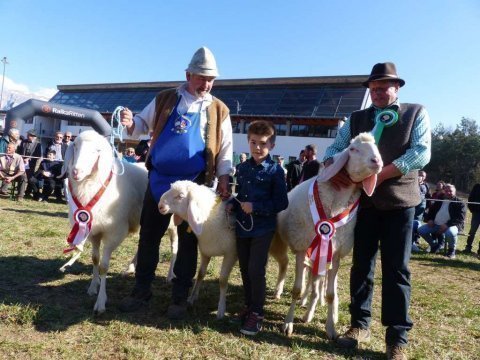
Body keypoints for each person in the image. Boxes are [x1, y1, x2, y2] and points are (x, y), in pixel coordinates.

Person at [325, 62, 431, 360]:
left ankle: (397, 337)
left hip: (400, 203)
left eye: (384, 87)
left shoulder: (416, 112)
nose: (378, 92)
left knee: (397, 270)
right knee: (361, 266)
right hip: (364, 205)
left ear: (397, 88)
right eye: (373, 88)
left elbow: (421, 152)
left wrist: (380, 174)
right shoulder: (356, 118)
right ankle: (359, 325)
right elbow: (334, 151)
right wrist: (338, 171)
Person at [118, 47, 233, 320]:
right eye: (201, 78)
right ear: (188, 74)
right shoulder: (165, 98)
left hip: (194, 186)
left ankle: (179, 297)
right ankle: (141, 292)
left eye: (211, 79)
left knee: (188, 241)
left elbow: (226, 149)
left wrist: (225, 178)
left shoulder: (219, 109)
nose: (206, 84)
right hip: (159, 181)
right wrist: (129, 122)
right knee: (149, 237)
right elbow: (141, 124)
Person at [227, 120, 288, 336]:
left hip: (263, 228)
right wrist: (230, 204)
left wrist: (257, 207)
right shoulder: (242, 168)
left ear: (271, 145)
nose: (257, 148)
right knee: (244, 268)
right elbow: (240, 197)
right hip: (243, 227)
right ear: (248, 141)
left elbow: (281, 203)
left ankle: (257, 313)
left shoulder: (275, 171)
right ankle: (249, 305)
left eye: (263, 143)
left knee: (256, 269)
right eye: (253, 142)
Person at [417, 183, 465, 259]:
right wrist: (430, 220)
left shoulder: (460, 202)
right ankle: (434, 246)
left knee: (450, 233)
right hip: (436, 224)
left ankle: (452, 251)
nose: (448, 193)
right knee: (421, 230)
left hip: (451, 226)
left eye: (450, 191)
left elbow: (460, 218)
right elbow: (431, 211)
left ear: (454, 192)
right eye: (446, 191)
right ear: (444, 191)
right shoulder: (439, 200)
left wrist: (447, 225)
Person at [16, 129, 43, 197]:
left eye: (29, 135)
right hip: (22, 163)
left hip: (31, 164)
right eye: (27, 135)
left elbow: (38, 155)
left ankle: (35, 192)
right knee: (22, 176)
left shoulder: (38, 144)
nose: (28, 136)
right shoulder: (23, 142)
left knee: (30, 179)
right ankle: (20, 192)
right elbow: (19, 152)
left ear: (33, 136)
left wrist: (29, 158)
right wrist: (22, 158)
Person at [411, 170, 430, 252]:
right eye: (419, 175)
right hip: (412, 205)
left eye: (422, 176)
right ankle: (410, 242)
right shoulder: (412, 183)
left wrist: (427, 207)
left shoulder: (426, 185)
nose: (420, 177)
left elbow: (427, 196)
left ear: (424, 177)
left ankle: (415, 240)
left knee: (417, 223)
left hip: (421, 207)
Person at [464, 183, 480, 255]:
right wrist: (472, 209)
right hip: (476, 213)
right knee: (472, 231)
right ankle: (468, 247)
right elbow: (470, 197)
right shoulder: (476, 186)